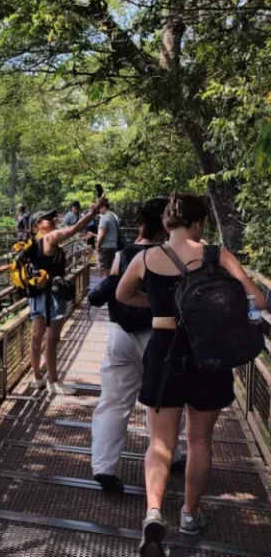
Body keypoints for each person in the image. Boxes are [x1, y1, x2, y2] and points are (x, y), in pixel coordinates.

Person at [117, 194, 266, 555]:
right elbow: (258, 301)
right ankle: (189, 513)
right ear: (198, 223)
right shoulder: (217, 255)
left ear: (167, 223)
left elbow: (122, 296)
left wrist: (159, 303)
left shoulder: (146, 258)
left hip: (164, 350)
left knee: (159, 442)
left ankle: (153, 513)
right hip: (209, 352)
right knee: (199, 439)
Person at [89, 198, 185, 494]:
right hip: (159, 335)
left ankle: (103, 466)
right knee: (162, 399)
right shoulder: (171, 256)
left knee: (113, 402)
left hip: (120, 334)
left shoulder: (123, 253)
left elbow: (116, 291)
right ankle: (173, 453)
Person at [28, 195, 107, 395]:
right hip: (51, 296)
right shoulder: (49, 237)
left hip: (37, 294)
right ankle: (53, 381)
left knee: (37, 337)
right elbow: (73, 229)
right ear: (38, 225)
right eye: (48, 218)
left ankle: (37, 377)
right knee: (52, 339)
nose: (53, 220)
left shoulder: (34, 241)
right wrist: (94, 211)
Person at [96, 200, 120, 277]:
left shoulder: (104, 217)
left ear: (103, 207)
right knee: (111, 268)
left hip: (105, 247)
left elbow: (102, 233)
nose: (99, 210)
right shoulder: (114, 216)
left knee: (103, 269)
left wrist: (98, 245)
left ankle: (104, 287)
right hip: (114, 246)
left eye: (99, 208)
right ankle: (110, 287)